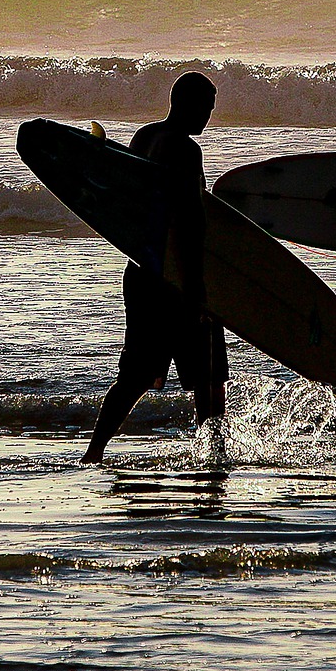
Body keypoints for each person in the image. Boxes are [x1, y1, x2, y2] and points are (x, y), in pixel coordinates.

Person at [83, 72, 228, 463]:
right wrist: (196, 286)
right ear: (187, 103)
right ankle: (213, 458)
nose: (208, 118)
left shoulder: (145, 137)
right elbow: (189, 219)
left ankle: (94, 452)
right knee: (208, 377)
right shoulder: (185, 149)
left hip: (142, 272)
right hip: (176, 279)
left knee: (134, 375)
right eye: (206, 108)